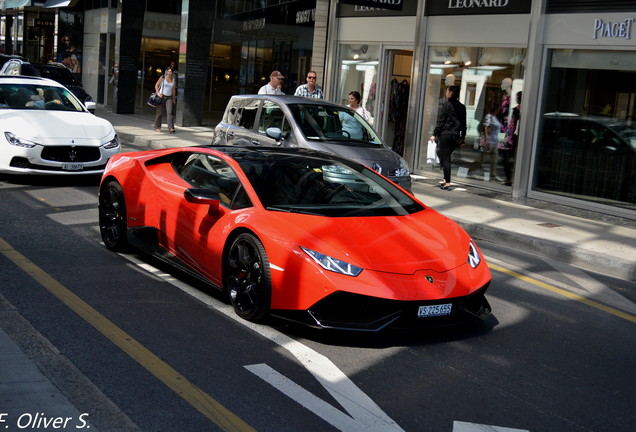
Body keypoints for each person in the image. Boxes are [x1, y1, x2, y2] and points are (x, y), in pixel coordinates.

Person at [431, 85, 466, 190]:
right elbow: (464, 124)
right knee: (445, 156)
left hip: (445, 135)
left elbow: (441, 121)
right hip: (455, 136)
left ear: (451, 93)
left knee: (446, 159)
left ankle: (448, 183)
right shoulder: (462, 107)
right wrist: (462, 137)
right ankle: (445, 179)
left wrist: (434, 134)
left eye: (447, 91)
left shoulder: (446, 105)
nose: (446, 93)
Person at [500, 91, 522, 186]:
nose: (517, 99)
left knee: (507, 158)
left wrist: (508, 138)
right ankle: (512, 178)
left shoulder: (517, 109)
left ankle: (509, 178)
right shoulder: (522, 109)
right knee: (514, 159)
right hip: (515, 137)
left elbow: (513, 125)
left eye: (518, 97)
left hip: (513, 137)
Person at [153, 66, 177, 133]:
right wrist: (158, 93)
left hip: (169, 97)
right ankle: (157, 127)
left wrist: (174, 99)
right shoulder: (162, 77)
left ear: (172, 72)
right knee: (159, 113)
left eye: (170, 71)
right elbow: (156, 85)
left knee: (170, 112)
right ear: (166, 71)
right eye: (168, 71)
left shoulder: (174, 80)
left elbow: (173, 90)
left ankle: (171, 128)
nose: (169, 72)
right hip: (161, 97)